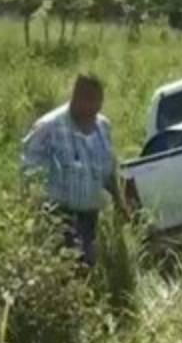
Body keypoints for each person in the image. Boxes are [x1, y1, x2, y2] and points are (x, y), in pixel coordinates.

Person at [21, 74, 128, 266]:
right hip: (59, 219)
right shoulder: (49, 128)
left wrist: (120, 203)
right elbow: (28, 174)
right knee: (67, 272)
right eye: (89, 103)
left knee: (88, 269)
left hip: (91, 217)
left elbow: (109, 169)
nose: (94, 110)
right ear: (76, 98)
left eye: (98, 104)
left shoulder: (102, 126)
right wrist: (37, 216)